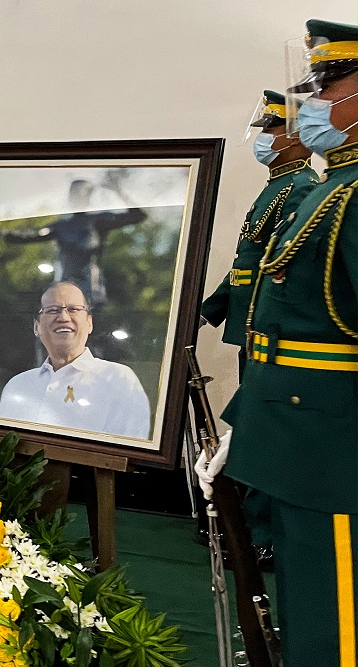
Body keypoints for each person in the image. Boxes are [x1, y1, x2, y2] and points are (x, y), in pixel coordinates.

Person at [200, 19, 358, 665]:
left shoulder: (347, 196)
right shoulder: (330, 190)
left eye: (328, 84)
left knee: (337, 622)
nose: (313, 101)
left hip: (333, 448)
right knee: (308, 604)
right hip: (299, 433)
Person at [201, 90, 319, 378]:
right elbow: (249, 262)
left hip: (271, 324)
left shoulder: (301, 187)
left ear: (296, 136)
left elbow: (285, 266)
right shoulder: (278, 185)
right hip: (252, 321)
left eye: (269, 129)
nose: (262, 137)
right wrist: (209, 311)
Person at [0, 281, 151, 438]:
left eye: (73, 309)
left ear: (89, 323)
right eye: (53, 310)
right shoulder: (17, 386)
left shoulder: (118, 379)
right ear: (37, 327)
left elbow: (128, 447)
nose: (63, 317)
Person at [0, 179, 146, 309]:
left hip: (91, 290)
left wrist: (119, 191)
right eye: (74, 195)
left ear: (88, 197)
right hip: (65, 288)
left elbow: (137, 216)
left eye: (81, 194)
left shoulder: (98, 221)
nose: (76, 198)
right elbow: (32, 235)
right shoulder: (61, 226)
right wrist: (5, 234)